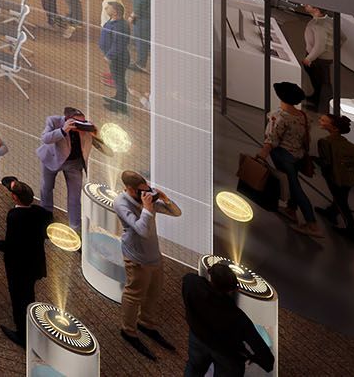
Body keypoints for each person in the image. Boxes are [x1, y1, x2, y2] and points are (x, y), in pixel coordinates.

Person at [0, 179, 50, 346]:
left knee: (19, 299)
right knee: (29, 294)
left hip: (19, 267)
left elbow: (9, 246)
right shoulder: (41, 212)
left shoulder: (15, 216)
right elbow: (48, 232)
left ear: (15, 197)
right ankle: (31, 322)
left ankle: (22, 335)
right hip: (35, 263)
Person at [113, 171, 178, 357]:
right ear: (131, 189)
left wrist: (165, 199)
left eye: (147, 188)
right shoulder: (121, 203)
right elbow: (142, 230)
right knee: (134, 295)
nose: (146, 193)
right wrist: (148, 208)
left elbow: (176, 213)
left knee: (154, 291)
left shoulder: (145, 197)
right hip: (137, 257)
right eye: (141, 191)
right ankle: (128, 330)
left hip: (153, 254)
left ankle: (146, 323)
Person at [181, 260, 276, 377]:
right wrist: (265, 362)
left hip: (197, 337)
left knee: (194, 368)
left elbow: (192, 278)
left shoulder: (191, 284)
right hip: (225, 353)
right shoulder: (238, 318)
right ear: (231, 290)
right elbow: (258, 345)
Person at [259, 80, 325, 238]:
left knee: (295, 188)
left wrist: (261, 156)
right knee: (293, 182)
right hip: (298, 155)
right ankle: (291, 209)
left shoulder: (279, 117)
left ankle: (312, 224)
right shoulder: (303, 116)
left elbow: (271, 141)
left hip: (283, 156)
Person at [37, 108, 101, 224]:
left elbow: (105, 150)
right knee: (46, 188)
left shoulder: (86, 127)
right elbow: (45, 138)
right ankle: (46, 217)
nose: (81, 125)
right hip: (52, 159)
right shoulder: (54, 121)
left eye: (83, 122)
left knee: (75, 197)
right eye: (77, 123)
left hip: (74, 164)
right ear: (68, 120)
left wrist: (96, 135)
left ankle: (75, 225)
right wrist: (63, 130)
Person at [316, 109, 354, 242]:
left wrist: (313, 160)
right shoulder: (352, 147)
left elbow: (326, 163)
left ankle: (352, 231)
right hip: (349, 177)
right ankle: (331, 212)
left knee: (342, 202)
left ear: (334, 128)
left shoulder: (325, 142)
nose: (320, 121)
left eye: (323, 121)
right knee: (341, 198)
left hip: (335, 178)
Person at [98, 0, 132, 111]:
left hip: (118, 58)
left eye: (108, 8)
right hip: (116, 57)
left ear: (115, 12)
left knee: (119, 82)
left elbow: (119, 44)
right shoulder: (112, 20)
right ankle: (117, 98)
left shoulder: (120, 26)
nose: (105, 9)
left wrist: (109, 56)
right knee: (118, 80)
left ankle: (121, 106)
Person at [300, 4, 335, 111]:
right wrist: (331, 49)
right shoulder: (327, 20)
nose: (305, 5)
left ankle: (321, 106)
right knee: (321, 80)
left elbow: (320, 46)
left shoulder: (319, 25)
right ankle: (316, 98)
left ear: (316, 9)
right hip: (321, 56)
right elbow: (342, 38)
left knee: (321, 81)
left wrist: (309, 58)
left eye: (308, 5)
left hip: (318, 57)